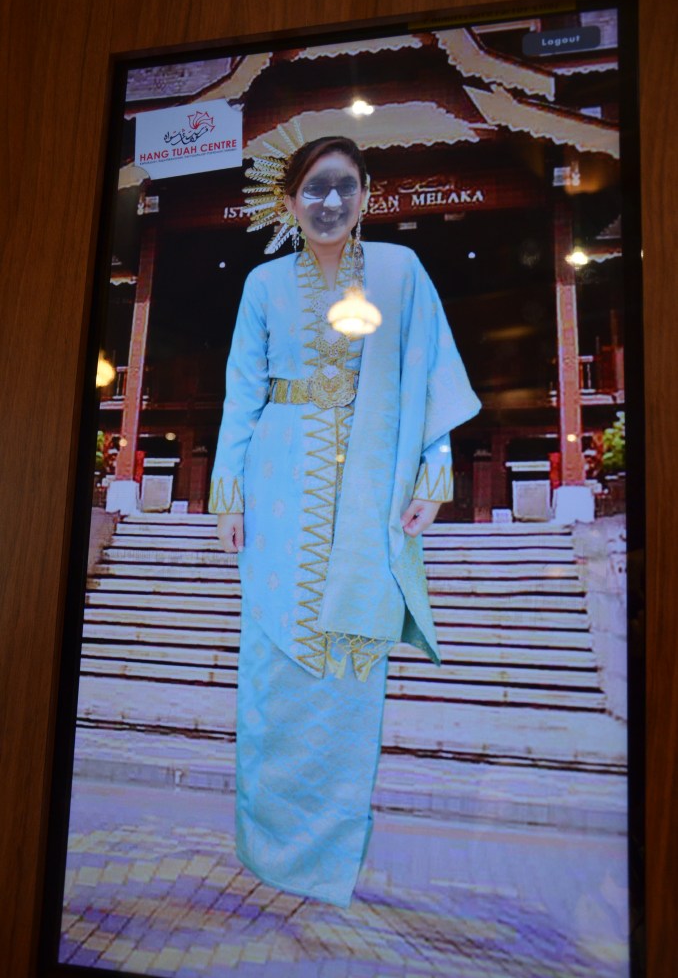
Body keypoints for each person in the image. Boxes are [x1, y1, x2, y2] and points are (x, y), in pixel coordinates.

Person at [209, 134, 480, 907]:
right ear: (289, 200)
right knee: (273, 664)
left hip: (369, 489)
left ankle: (329, 857)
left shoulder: (400, 271)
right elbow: (241, 393)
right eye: (313, 188)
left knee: (348, 671)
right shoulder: (263, 284)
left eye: (344, 186)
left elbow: (430, 377)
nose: (329, 202)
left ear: (367, 195)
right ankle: (267, 845)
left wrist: (433, 474)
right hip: (277, 477)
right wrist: (228, 494)